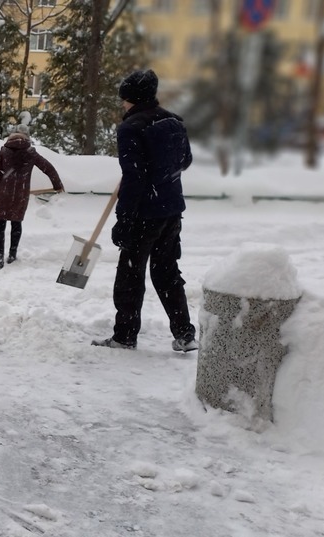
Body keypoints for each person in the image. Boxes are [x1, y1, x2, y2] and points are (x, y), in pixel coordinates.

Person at [92, 69, 198, 352]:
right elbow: (185, 160)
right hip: (171, 210)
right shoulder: (174, 121)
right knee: (166, 271)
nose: (123, 105)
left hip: (143, 213)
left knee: (130, 275)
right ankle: (185, 334)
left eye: (124, 99)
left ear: (133, 99)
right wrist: (160, 172)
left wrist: (124, 219)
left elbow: (135, 178)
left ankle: (125, 336)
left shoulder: (130, 128)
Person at [0, 124, 65, 270]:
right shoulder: (30, 152)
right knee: (16, 223)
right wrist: (57, 184)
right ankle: (12, 255)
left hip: (3, 192)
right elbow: (48, 167)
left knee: (0, 224)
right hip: (20, 193)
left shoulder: (4, 150)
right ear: (27, 137)